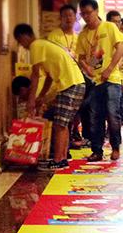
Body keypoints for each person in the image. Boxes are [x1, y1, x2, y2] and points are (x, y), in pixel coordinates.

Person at [11, 33, 85, 170]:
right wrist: (41, 96)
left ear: (24, 37)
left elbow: (35, 75)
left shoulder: (35, 46)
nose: (22, 46)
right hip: (76, 83)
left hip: (69, 84)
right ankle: (62, 158)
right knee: (62, 124)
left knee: (59, 125)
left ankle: (58, 160)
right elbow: (49, 77)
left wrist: (31, 101)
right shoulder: (45, 46)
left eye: (21, 42)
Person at [77, 0, 123, 162]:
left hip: (112, 79)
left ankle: (115, 146)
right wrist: (87, 68)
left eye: (89, 13)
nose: (86, 16)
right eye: (83, 14)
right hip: (95, 82)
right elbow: (81, 57)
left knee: (113, 114)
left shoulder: (109, 27)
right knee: (95, 117)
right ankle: (97, 150)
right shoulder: (83, 35)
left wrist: (109, 69)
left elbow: (120, 48)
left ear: (97, 11)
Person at [47, 4, 87, 146]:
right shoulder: (54, 36)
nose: (68, 19)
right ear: (60, 18)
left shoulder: (79, 37)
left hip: (76, 80)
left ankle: (68, 144)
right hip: (60, 82)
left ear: (75, 18)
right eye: (65, 16)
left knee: (71, 116)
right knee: (60, 119)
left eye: (71, 15)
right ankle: (60, 148)